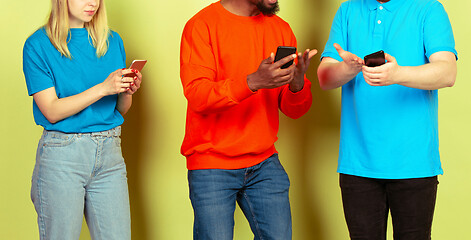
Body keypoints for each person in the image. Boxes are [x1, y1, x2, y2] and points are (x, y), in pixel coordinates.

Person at [317, 0, 457, 239]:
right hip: (358, 164)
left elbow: (447, 72)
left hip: (414, 163)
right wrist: (348, 69)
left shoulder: (429, 9)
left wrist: (398, 73)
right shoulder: (348, 10)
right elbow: (324, 78)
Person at [180, 0, 316, 239]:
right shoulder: (202, 25)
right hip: (212, 163)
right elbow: (198, 95)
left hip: (264, 162)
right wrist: (252, 82)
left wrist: (297, 85)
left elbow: (294, 110)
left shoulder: (281, 29)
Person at [22, 0, 142, 239]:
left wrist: (126, 91)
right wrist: (103, 88)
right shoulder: (38, 45)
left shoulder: (112, 41)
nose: (93, 3)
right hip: (62, 158)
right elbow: (52, 111)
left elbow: (118, 111)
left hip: (110, 155)